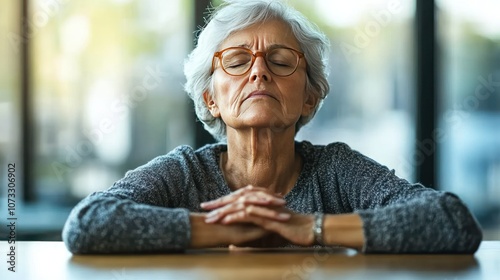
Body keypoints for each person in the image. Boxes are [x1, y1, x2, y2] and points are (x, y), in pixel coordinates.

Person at [62, 0, 482, 254]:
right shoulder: (185, 173)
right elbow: (88, 223)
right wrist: (225, 229)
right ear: (211, 98)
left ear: (310, 97)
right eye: (238, 61)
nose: (259, 72)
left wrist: (307, 228)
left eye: (281, 62)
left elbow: (451, 221)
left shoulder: (335, 170)